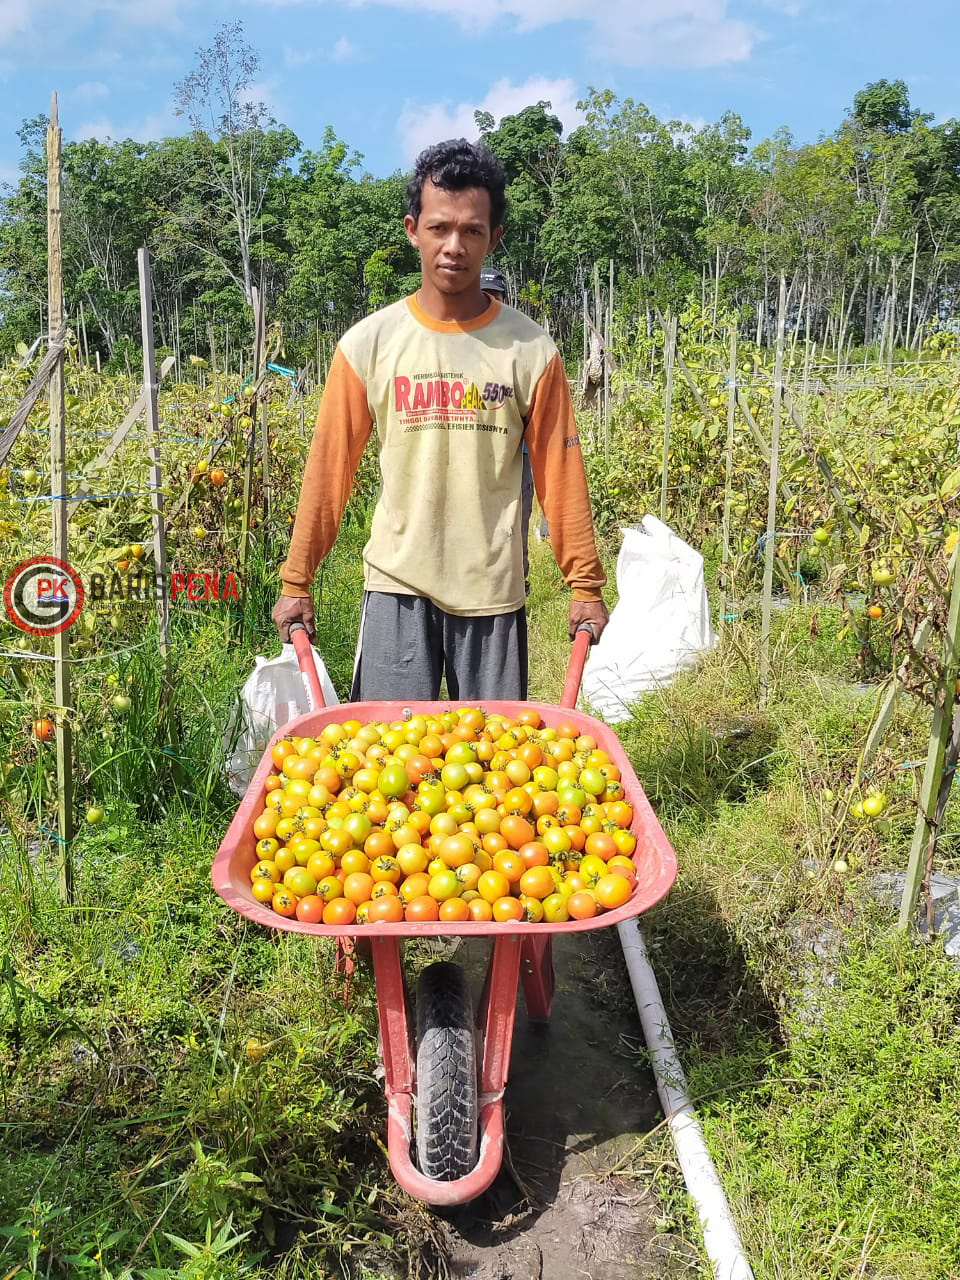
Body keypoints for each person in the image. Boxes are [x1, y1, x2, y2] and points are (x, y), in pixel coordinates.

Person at [272, 138, 607, 701]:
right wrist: (296, 578)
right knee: (387, 751)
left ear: (493, 238)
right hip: (396, 587)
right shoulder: (369, 345)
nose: (454, 246)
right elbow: (329, 471)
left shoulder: (530, 350)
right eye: (439, 228)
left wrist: (586, 585)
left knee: (494, 754)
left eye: (472, 231)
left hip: (492, 592)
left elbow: (560, 472)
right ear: (413, 230)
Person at [479, 266, 536, 594]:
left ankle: (517, 584)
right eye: (484, 297)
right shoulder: (462, 348)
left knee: (517, 518)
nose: (490, 304)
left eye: (495, 297)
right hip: (477, 451)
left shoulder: (523, 347)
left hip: (519, 454)